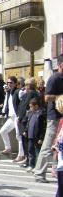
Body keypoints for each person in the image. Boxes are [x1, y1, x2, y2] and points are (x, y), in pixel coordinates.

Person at [33, 55, 63, 183]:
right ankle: (39, 173)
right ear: (61, 65)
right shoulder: (54, 78)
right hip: (54, 116)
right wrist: (60, 97)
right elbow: (46, 97)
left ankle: (56, 170)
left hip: (61, 116)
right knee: (48, 145)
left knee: (59, 146)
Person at [0, 76, 23, 159]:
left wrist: (20, 115)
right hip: (11, 117)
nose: (9, 84)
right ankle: (8, 148)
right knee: (3, 131)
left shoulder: (18, 92)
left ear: (15, 84)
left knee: (18, 135)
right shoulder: (9, 92)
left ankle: (21, 155)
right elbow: (6, 104)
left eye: (11, 83)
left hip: (17, 116)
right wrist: (3, 112)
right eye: (8, 82)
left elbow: (23, 102)